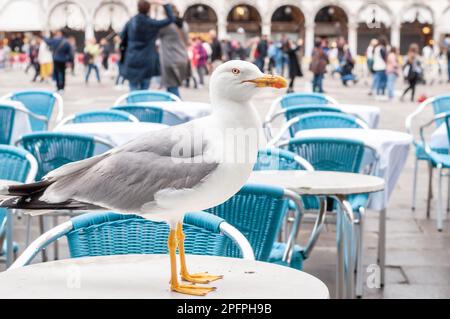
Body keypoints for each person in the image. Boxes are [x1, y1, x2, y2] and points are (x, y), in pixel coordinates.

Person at [120, 0, 174, 91]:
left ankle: (133, 105)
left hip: (132, 58)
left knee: (133, 89)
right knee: (144, 90)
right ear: (149, 9)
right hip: (147, 60)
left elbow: (122, 38)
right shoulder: (152, 23)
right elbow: (171, 19)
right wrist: (165, 4)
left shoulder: (130, 22)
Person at [158, 5, 189, 98]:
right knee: (172, 88)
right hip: (182, 58)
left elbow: (154, 33)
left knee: (172, 89)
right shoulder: (184, 24)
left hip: (170, 59)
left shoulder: (166, 25)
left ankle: (179, 109)